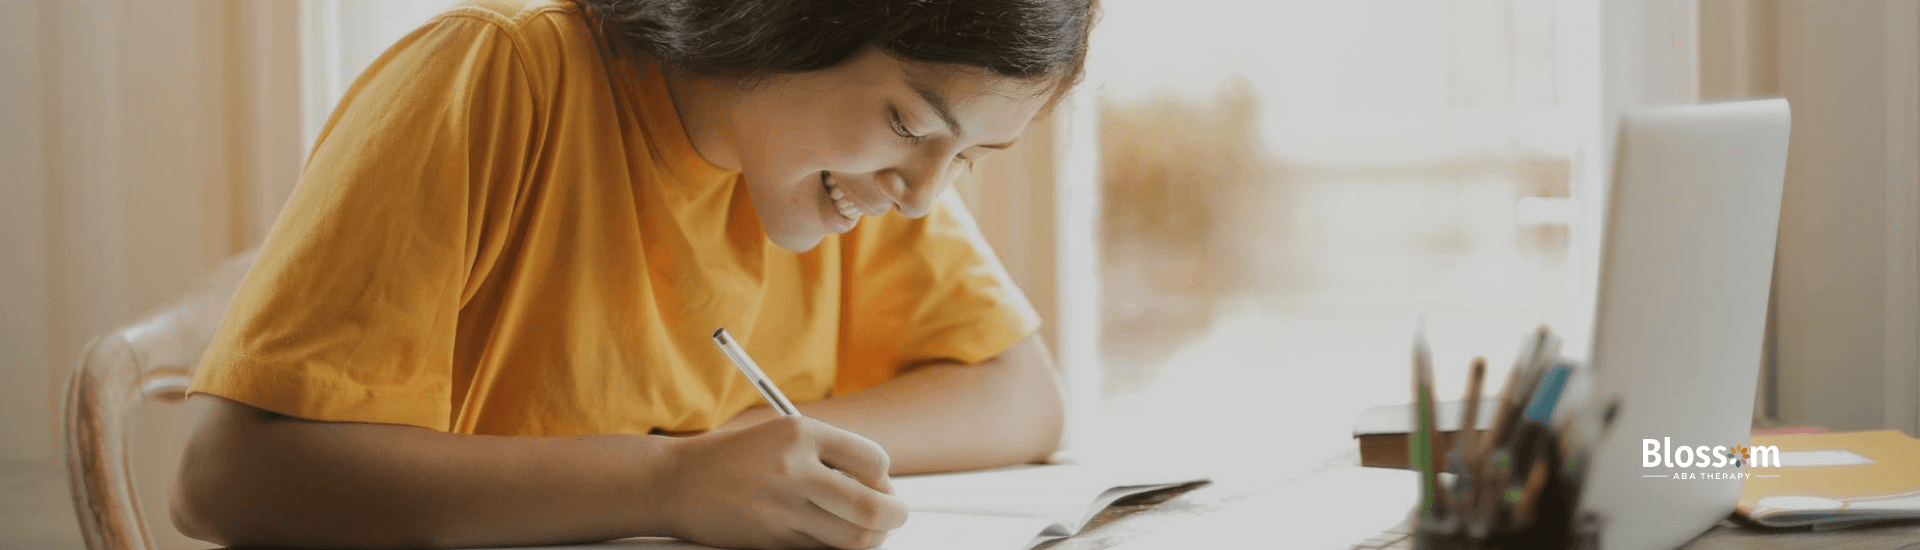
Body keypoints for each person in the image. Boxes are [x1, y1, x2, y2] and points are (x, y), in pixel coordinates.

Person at [167, 0, 1095, 548]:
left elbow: (1020, 395)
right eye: (907, 123)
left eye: (970, 156)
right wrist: (665, 480)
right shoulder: (497, 77)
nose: (924, 194)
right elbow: (226, 476)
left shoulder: (843, 176)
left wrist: (747, 458)